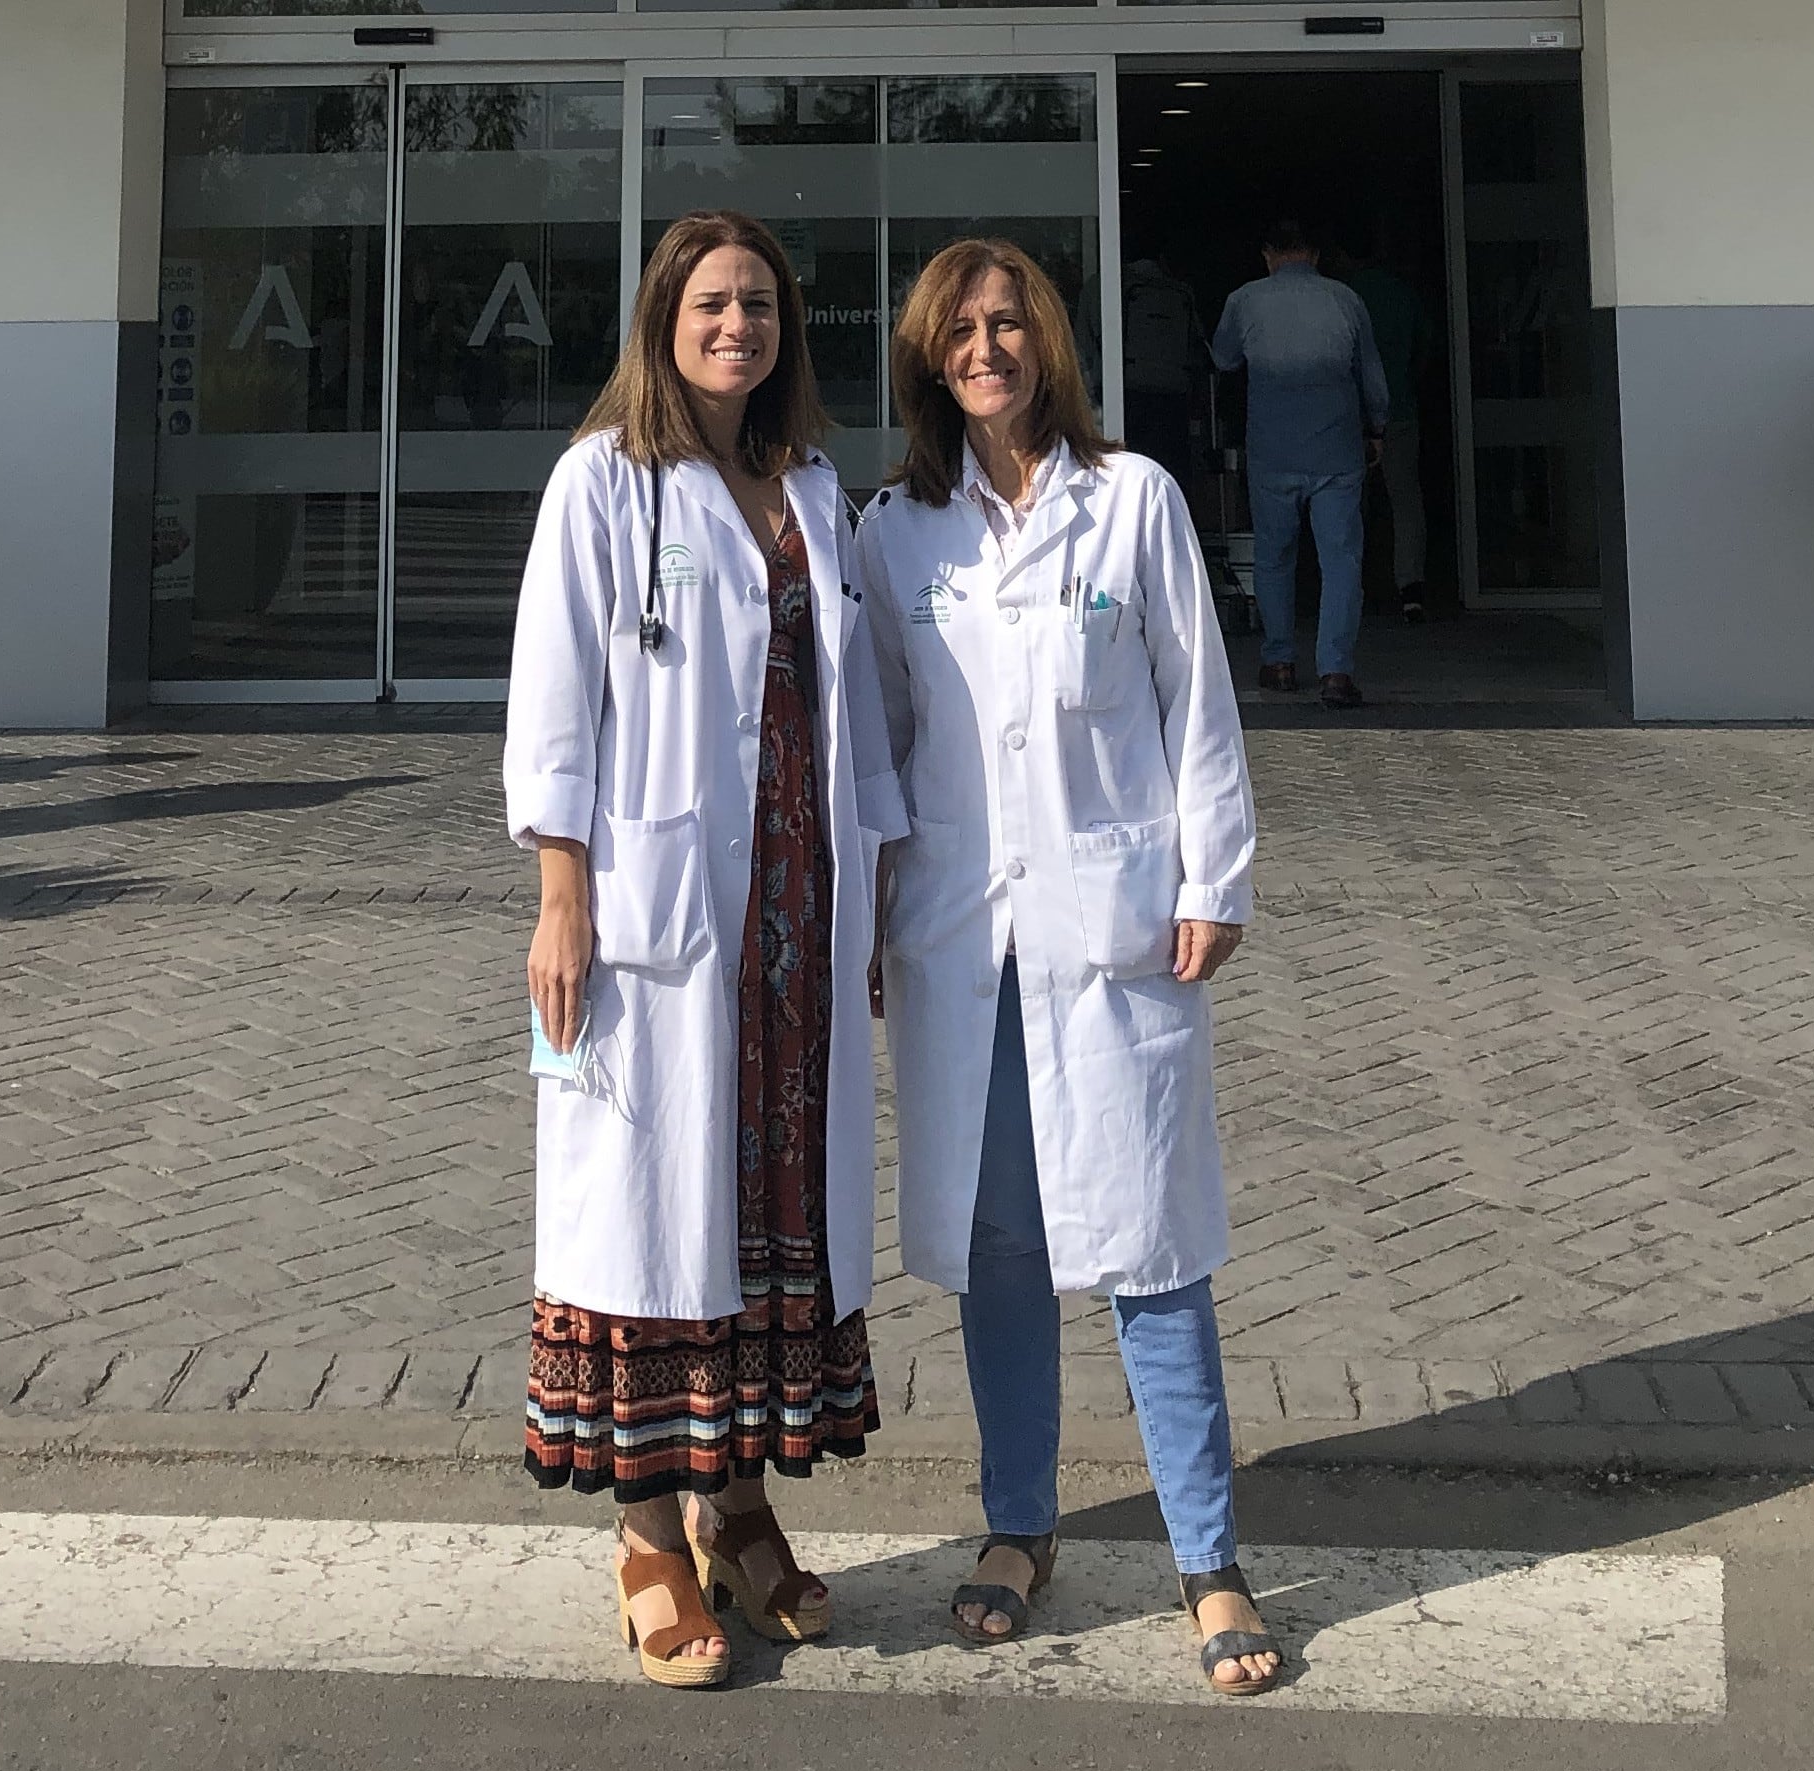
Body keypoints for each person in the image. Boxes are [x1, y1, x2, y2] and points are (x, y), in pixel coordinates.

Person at [856, 239, 1280, 1696]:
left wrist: (1214, 877)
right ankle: (1017, 1527)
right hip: (963, 944)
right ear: (929, 359)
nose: (988, 348)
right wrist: (865, 915)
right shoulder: (897, 532)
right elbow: (877, 749)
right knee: (1001, 1256)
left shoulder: (1135, 501)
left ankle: (1209, 1557)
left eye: (1009, 323)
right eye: (961, 331)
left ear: (1048, 342)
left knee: (1154, 1253)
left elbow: (1197, 701)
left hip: (1114, 936)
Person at [502, 209, 905, 1691]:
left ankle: (743, 1508)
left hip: (800, 910)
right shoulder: (602, 482)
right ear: (664, 320)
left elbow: (854, 709)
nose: (739, 324)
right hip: (658, 914)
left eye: (761, 304)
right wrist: (562, 894)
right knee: (646, 1220)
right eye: (712, 303)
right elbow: (554, 702)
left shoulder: (808, 484)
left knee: (761, 1208)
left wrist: (875, 889)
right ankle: (650, 1539)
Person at [1210, 218, 1388, 710]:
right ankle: (1335, 672)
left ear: (1269, 255)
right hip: (1337, 450)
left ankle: (1280, 661)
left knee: (1273, 556)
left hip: (1272, 450)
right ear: (1314, 255)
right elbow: (1371, 375)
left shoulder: (1244, 300)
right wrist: (1377, 428)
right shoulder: (1345, 300)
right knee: (1341, 560)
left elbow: (1223, 359)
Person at [1339, 228, 1428, 624]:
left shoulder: (1342, 297)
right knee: (1406, 501)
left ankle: (1350, 588)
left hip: (1349, 416)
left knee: (1349, 504)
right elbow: (1425, 345)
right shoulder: (1401, 292)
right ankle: (1411, 589)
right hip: (1401, 409)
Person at [1120, 252, 1205, 500]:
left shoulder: (1108, 285)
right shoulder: (1180, 291)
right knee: (1172, 472)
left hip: (1129, 391)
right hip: (1173, 392)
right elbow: (1197, 345)